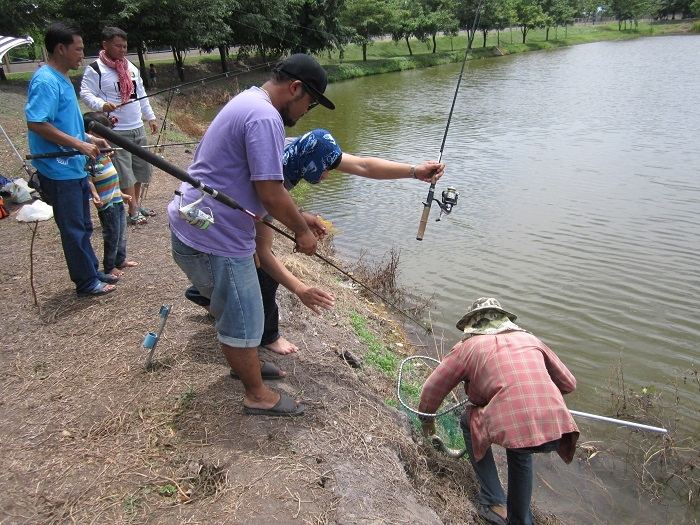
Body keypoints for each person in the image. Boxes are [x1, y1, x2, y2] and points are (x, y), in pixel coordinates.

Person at [168, 53, 334, 417]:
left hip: (201, 225)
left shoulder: (248, 100)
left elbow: (252, 185)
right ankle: (257, 394)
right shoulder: (265, 117)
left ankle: (246, 365)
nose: (307, 111)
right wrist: (302, 231)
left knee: (244, 311)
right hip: (213, 238)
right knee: (243, 318)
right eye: (310, 102)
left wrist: (300, 215)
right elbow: (271, 191)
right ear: (295, 89)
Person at [185, 128, 446, 355]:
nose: (328, 175)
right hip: (211, 223)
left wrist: (415, 171)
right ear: (308, 167)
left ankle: (206, 294)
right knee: (262, 272)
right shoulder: (268, 184)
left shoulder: (302, 150)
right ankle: (266, 335)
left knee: (254, 263)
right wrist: (301, 289)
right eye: (325, 171)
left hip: (219, 208)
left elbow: (364, 165)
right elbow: (264, 253)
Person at [418, 297, 579, 525]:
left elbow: (431, 390)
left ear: (472, 325)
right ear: (505, 320)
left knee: (468, 420)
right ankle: (520, 519)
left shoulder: (466, 347)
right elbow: (569, 384)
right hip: (557, 425)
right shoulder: (530, 339)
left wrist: (427, 423)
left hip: (520, 424)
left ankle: (493, 500)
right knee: (520, 447)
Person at [25, 21, 116, 296]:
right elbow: (37, 123)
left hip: (73, 167)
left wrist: (89, 140)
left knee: (84, 225)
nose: (81, 54)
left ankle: (91, 271)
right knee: (74, 229)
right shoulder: (46, 81)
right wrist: (78, 143)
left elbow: (63, 124)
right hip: (57, 169)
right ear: (61, 48)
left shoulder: (62, 77)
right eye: (78, 49)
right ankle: (86, 282)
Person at [80, 26, 158, 226]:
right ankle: (132, 211)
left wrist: (150, 117)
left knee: (141, 169)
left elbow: (140, 94)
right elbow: (85, 93)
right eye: (118, 46)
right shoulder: (96, 69)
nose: (122, 50)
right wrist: (101, 105)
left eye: (125, 46)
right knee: (125, 173)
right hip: (115, 130)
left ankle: (137, 204)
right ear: (105, 45)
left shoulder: (130, 68)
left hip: (136, 125)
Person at [83, 112, 139, 277]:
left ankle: (120, 260)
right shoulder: (87, 157)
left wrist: (122, 195)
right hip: (106, 205)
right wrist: (94, 194)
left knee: (121, 232)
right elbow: (88, 179)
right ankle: (109, 266)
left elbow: (112, 180)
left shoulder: (105, 156)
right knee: (112, 235)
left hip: (116, 200)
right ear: (92, 135)